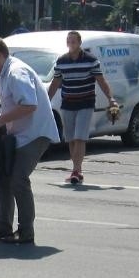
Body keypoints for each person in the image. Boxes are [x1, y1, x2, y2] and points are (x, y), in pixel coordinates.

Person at [0, 35, 60, 244]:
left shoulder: (16, 72)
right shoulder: (4, 73)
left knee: (18, 179)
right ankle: (3, 226)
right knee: (2, 176)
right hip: (19, 134)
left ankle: (25, 232)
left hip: (35, 134)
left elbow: (29, 105)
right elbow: (9, 105)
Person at [47, 31, 117, 184]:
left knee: (80, 137)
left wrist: (110, 98)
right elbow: (55, 83)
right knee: (71, 138)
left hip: (86, 102)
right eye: (69, 41)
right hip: (68, 103)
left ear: (79, 43)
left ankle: (76, 170)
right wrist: (47, 100)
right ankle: (76, 168)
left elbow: (101, 80)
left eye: (73, 41)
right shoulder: (62, 61)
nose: (71, 44)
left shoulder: (91, 60)